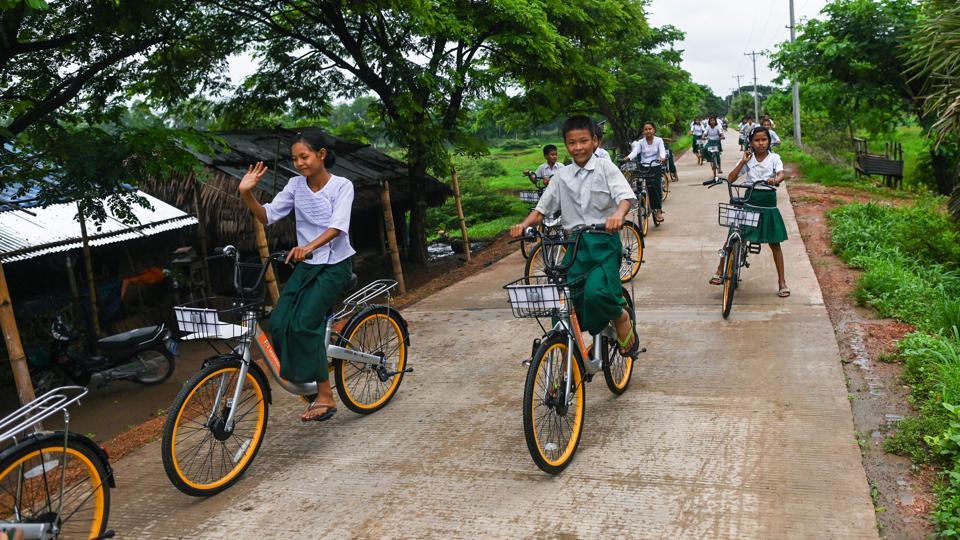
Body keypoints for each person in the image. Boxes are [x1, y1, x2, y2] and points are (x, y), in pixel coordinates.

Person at [239, 129, 356, 422]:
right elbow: (267, 216)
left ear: (321, 154)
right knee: (278, 323)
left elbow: (338, 227)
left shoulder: (342, 186)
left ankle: (326, 395)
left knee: (305, 324)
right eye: (295, 159)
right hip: (308, 265)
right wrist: (246, 193)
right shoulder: (294, 186)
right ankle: (306, 378)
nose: (300, 163)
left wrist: (308, 246)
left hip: (336, 265)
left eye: (304, 156)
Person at [511, 115, 639, 357]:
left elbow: (625, 197)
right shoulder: (562, 176)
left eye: (583, 141)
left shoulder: (605, 167)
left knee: (597, 293)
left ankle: (620, 317)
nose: (578, 147)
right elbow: (542, 208)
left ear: (595, 142)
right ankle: (564, 363)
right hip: (574, 246)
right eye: (572, 143)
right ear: (566, 145)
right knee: (564, 304)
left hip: (603, 242)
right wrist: (524, 225)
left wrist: (619, 215)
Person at [708, 126, 790, 297]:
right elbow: (731, 178)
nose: (761, 143)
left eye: (764, 140)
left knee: (775, 243)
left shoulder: (775, 158)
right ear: (751, 143)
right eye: (757, 140)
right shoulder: (748, 158)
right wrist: (743, 162)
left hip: (767, 202)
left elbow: (781, 174)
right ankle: (719, 269)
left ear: (769, 141)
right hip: (749, 200)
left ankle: (782, 282)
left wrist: (775, 180)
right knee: (733, 235)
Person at [626, 121, 668, 224]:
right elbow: (635, 152)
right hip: (644, 166)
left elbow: (662, 151)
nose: (648, 131)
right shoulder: (641, 142)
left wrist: (662, 157)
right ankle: (642, 203)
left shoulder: (659, 140)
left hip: (655, 166)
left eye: (650, 129)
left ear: (654, 130)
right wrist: (628, 157)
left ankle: (658, 211)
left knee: (655, 187)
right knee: (639, 185)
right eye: (646, 129)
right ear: (643, 131)